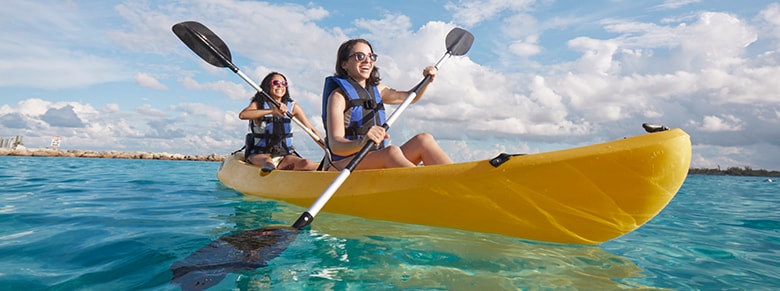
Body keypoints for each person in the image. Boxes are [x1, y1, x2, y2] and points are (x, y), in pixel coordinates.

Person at [322, 39, 453, 171]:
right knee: (391, 152)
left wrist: (427, 81)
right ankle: (432, 186)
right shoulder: (338, 97)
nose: (367, 61)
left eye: (371, 57)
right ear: (344, 64)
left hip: (373, 159)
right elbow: (335, 145)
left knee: (424, 140)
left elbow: (410, 97)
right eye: (360, 56)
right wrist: (361, 143)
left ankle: (459, 180)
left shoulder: (378, 90)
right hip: (342, 166)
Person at [239, 72, 323, 171]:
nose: (280, 85)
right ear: (268, 86)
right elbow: (243, 115)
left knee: (306, 163)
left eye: (284, 83)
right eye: (276, 82)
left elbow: (311, 129)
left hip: (284, 155)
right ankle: (269, 172)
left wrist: (328, 149)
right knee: (268, 162)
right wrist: (272, 111)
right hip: (260, 154)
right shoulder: (258, 105)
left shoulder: (293, 107)